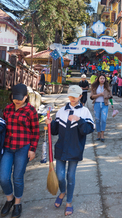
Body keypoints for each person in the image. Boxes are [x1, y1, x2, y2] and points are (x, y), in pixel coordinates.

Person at [45, 85, 95, 216]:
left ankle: (69, 202)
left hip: (75, 148)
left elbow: (89, 129)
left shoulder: (84, 112)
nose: (72, 98)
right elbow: (55, 131)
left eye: (75, 96)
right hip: (61, 148)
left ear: (80, 96)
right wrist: (50, 123)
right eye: (70, 95)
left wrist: (79, 120)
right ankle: (62, 191)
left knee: (70, 176)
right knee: (60, 176)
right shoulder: (62, 111)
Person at [0, 83, 39, 218]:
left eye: (20, 97)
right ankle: (10, 199)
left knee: (18, 177)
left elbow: (36, 132)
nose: (17, 100)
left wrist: (32, 149)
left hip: (23, 148)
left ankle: (17, 203)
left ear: (26, 97)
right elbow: (3, 127)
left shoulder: (31, 111)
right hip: (8, 147)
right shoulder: (7, 109)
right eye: (15, 97)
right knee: (3, 177)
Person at [90, 73, 112, 142]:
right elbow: (91, 96)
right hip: (96, 104)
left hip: (104, 104)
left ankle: (102, 133)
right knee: (97, 119)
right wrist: (100, 94)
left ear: (105, 79)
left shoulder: (107, 86)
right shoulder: (95, 87)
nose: (102, 80)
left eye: (103, 78)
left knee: (103, 119)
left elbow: (111, 95)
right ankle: (98, 133)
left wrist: (107, 97)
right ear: (98, 79)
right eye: (101, 78)